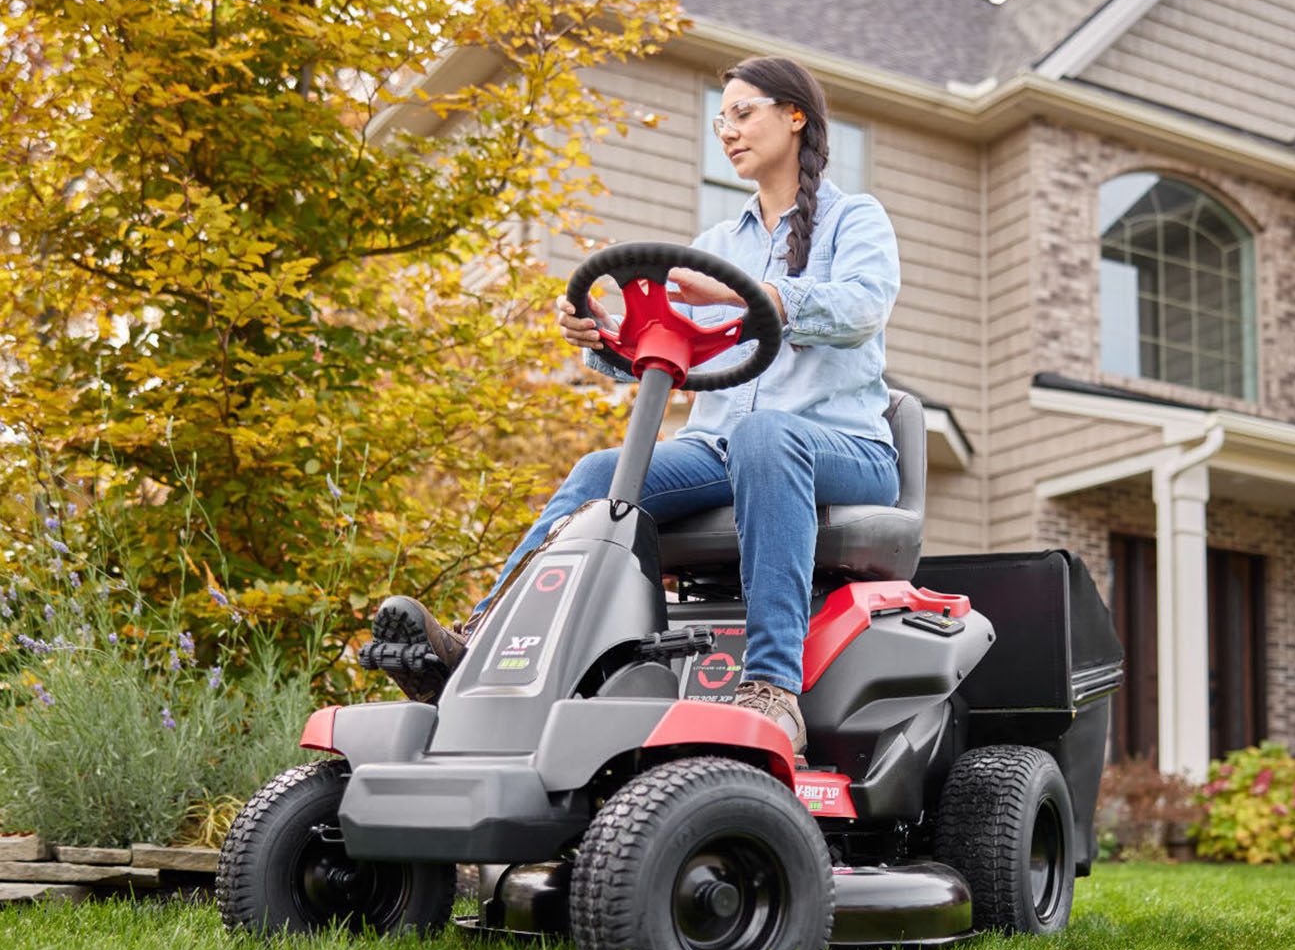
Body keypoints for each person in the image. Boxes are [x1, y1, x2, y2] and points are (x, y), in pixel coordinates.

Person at [373, 55, 901, 754]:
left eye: (744, 113)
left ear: (794, 115)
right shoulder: (717, 244)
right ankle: (475, 646)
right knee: (600, 472)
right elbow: (667, 342)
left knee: (767, 435)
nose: (729, 132)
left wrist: (760, 298)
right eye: (721, 120)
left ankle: (773, 687)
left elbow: (864, 307)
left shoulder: (853, 219)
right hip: (723, 449)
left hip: (845, 449)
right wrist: (600, 339)